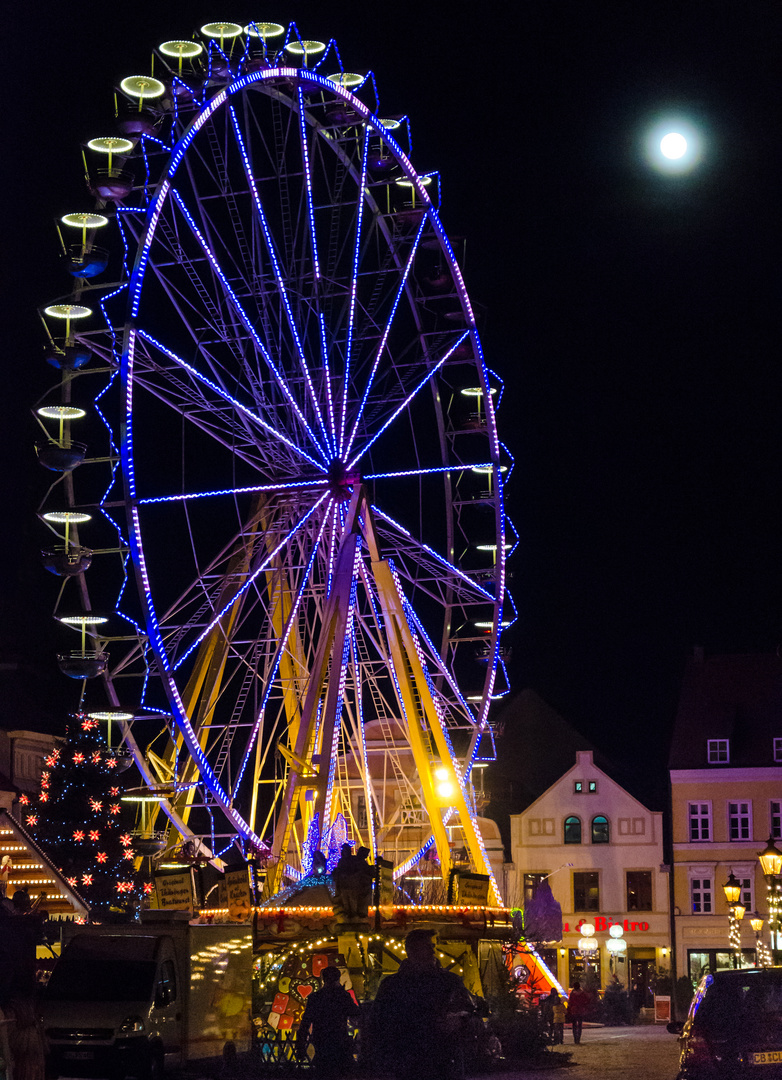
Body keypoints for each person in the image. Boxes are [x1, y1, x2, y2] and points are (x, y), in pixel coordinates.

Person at [368, 927, 476, 1079]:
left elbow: (469, 1010)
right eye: (427, 947)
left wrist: (459, 1019)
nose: (433, 952)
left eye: (432, 947)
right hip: (409, 1062)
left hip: (442, 1061)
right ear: (413, 951)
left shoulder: (448, 981)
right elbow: (378, 1024)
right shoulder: (393, 985)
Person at [297, 965, 359, 1077]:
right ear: (338, 979)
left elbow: (306, 1021)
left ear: (323, 979)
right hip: (339, 1039)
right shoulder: (342, 996)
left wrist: (301, 1043)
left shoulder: (315, 998)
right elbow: (355, 1012)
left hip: (321, 1039)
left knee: (323, 1071)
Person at [567, 980, 590, 1044]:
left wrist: (570, 1009)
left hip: (574, 1010)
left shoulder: (572, 993)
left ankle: (575, 1038)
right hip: (580, 1010)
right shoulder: (582, 993)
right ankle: (578, 1038)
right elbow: (586, 1001)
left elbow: (570, 1002)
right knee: (579, 1025)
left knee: (574, 1025)